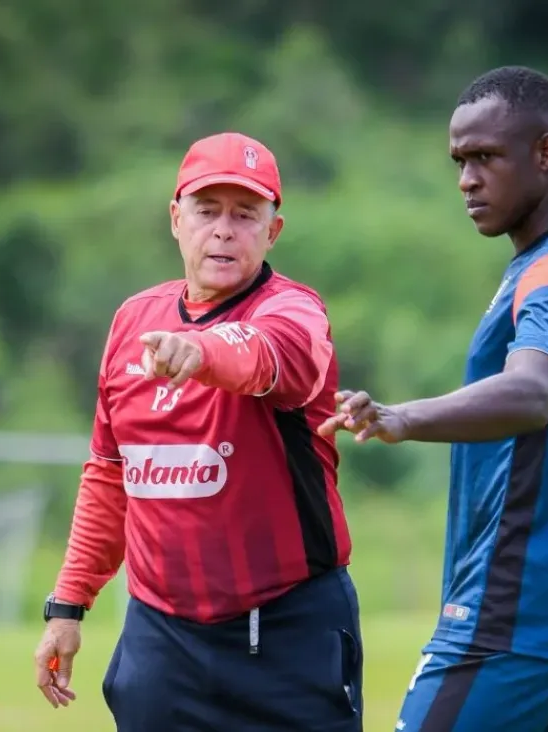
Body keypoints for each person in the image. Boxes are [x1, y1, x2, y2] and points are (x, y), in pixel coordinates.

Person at [319, 66, 548, 732]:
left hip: (517, 612)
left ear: (545, 153)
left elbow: (532, 392)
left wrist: (401, 417)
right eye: (459, 161)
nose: (466, 179)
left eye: (485, 157)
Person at [34, 132, 363, 732]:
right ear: (176, 219)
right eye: (207, 211)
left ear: (273, 230)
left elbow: (267, 355)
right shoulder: (133, 320)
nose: (224, 230)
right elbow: (111, 475)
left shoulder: (296, 312)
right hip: (162, 640)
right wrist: (68, 605)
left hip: (288, 634)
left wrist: (202, 350)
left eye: (245, 215)